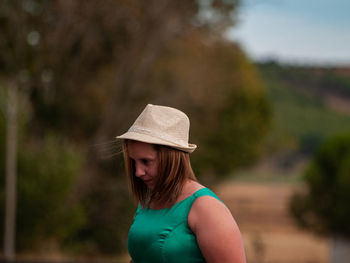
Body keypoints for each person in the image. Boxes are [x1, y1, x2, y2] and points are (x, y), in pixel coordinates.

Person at [117, 104, 246, 263]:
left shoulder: (206, 208)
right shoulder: (147, 201)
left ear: (171, 158)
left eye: (146, 161)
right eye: (134, 162)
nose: (138, 172)